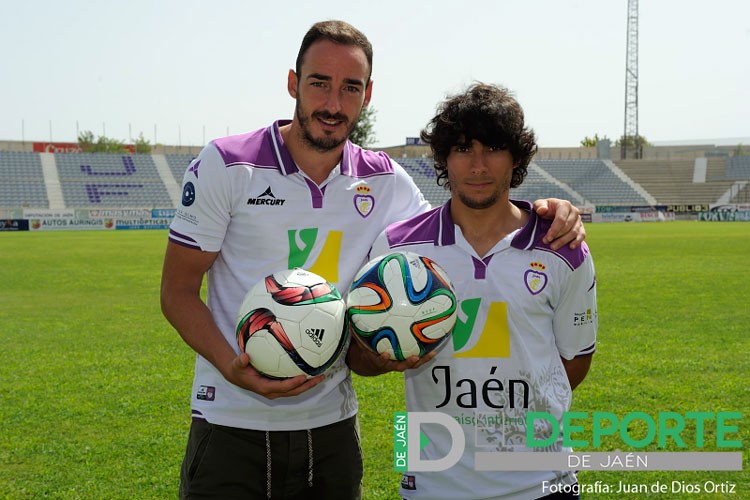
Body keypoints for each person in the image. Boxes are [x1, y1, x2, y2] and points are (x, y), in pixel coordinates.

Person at [161, 20, 586, 500]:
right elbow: (176, 291)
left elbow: (460, 234)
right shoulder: (227, 164)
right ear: (292, 83)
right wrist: (229, 364)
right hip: (229, 422)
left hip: (331, 428)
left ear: (367, 95)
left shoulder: (388, 182)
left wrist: (547, 210)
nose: (333, 104)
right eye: (319, 83)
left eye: (351, 88)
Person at [352, 83, 598, 499]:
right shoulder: (398, 248)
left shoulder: (562, 247)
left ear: (515, 157)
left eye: (494, 149)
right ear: (445, 159)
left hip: (540, 485)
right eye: (464, 149)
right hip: (434, 485)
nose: (478, 166)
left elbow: (575, 361)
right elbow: (358, 356)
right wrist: (383, 358)